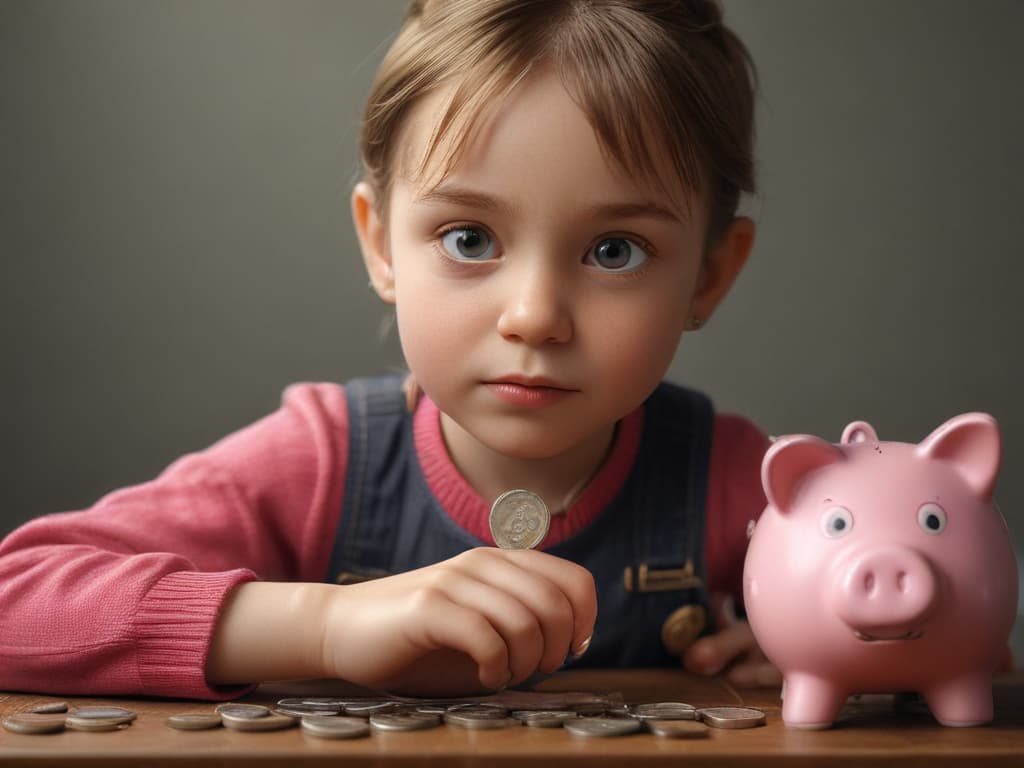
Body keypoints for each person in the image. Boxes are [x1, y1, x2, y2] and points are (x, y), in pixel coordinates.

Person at [0, 0, 779, 700]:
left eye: (616, 251)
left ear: (709, 276)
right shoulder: (322, 463)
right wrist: (326, 626)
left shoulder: (729, 478)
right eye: (469, 239)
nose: (535, 317)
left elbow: (902, 578)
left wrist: (837, 634)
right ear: (381, 245)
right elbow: (17, 597)